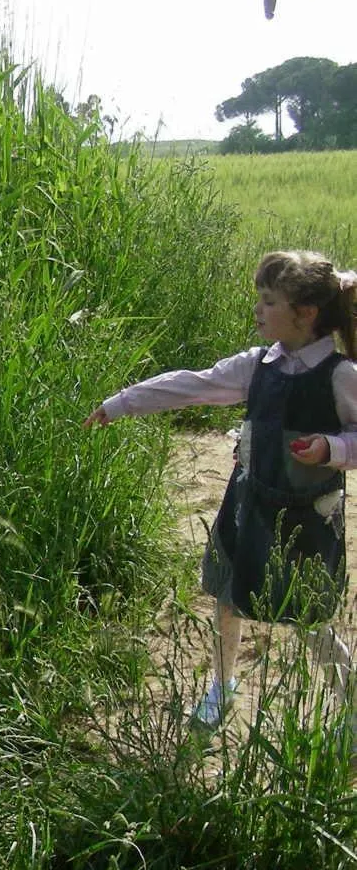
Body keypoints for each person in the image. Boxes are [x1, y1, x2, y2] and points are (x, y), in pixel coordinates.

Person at [85, 249, 357, 728]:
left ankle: (351, 699)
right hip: (247, 505)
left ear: (305, 313)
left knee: (309, 616)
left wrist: (332, 448)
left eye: (268, 301)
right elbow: (193, 385)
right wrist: (122, 403)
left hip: (305, 516)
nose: (257, 309)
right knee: (227, 597)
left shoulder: (340, 377)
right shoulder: (258, 365)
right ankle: (223, 684)